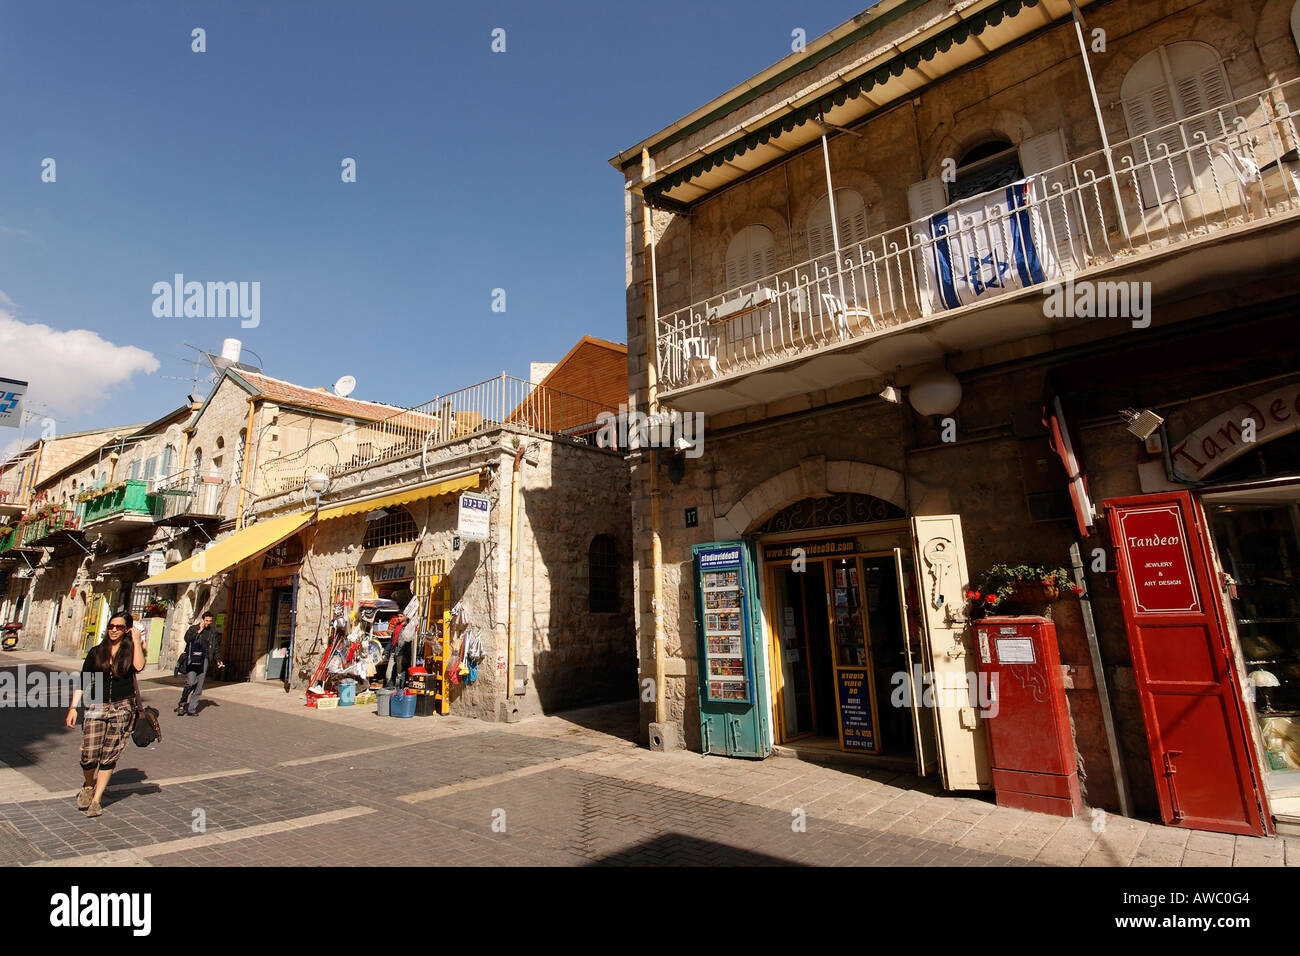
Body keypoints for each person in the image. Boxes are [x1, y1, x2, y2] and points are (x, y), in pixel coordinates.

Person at [65, 613, 145, 819]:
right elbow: (83, 680)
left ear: (127, 629)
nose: (114, 629)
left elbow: (139, 666)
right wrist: (73, 707)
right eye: (111, 626)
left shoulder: (131, 650)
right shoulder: (96, 652)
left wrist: (136, 640)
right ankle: (89, 785)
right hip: (96, 706)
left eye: (119, 627)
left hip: (123, 707)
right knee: (89, 754)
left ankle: (96, 800)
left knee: (109, 754)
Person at [176, 612, 222, 716]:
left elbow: (216, 647)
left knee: (199, 685)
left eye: (210, 621)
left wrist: (218, 659)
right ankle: (182, 703)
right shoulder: (193, 628)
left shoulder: (212, 632)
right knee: (191, 682)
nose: (208, 623)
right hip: (193, 658)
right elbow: (187, 639)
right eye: (206, 621)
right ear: (202, 620)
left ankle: (192, 709)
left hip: (204, 659)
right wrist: (199, 631)